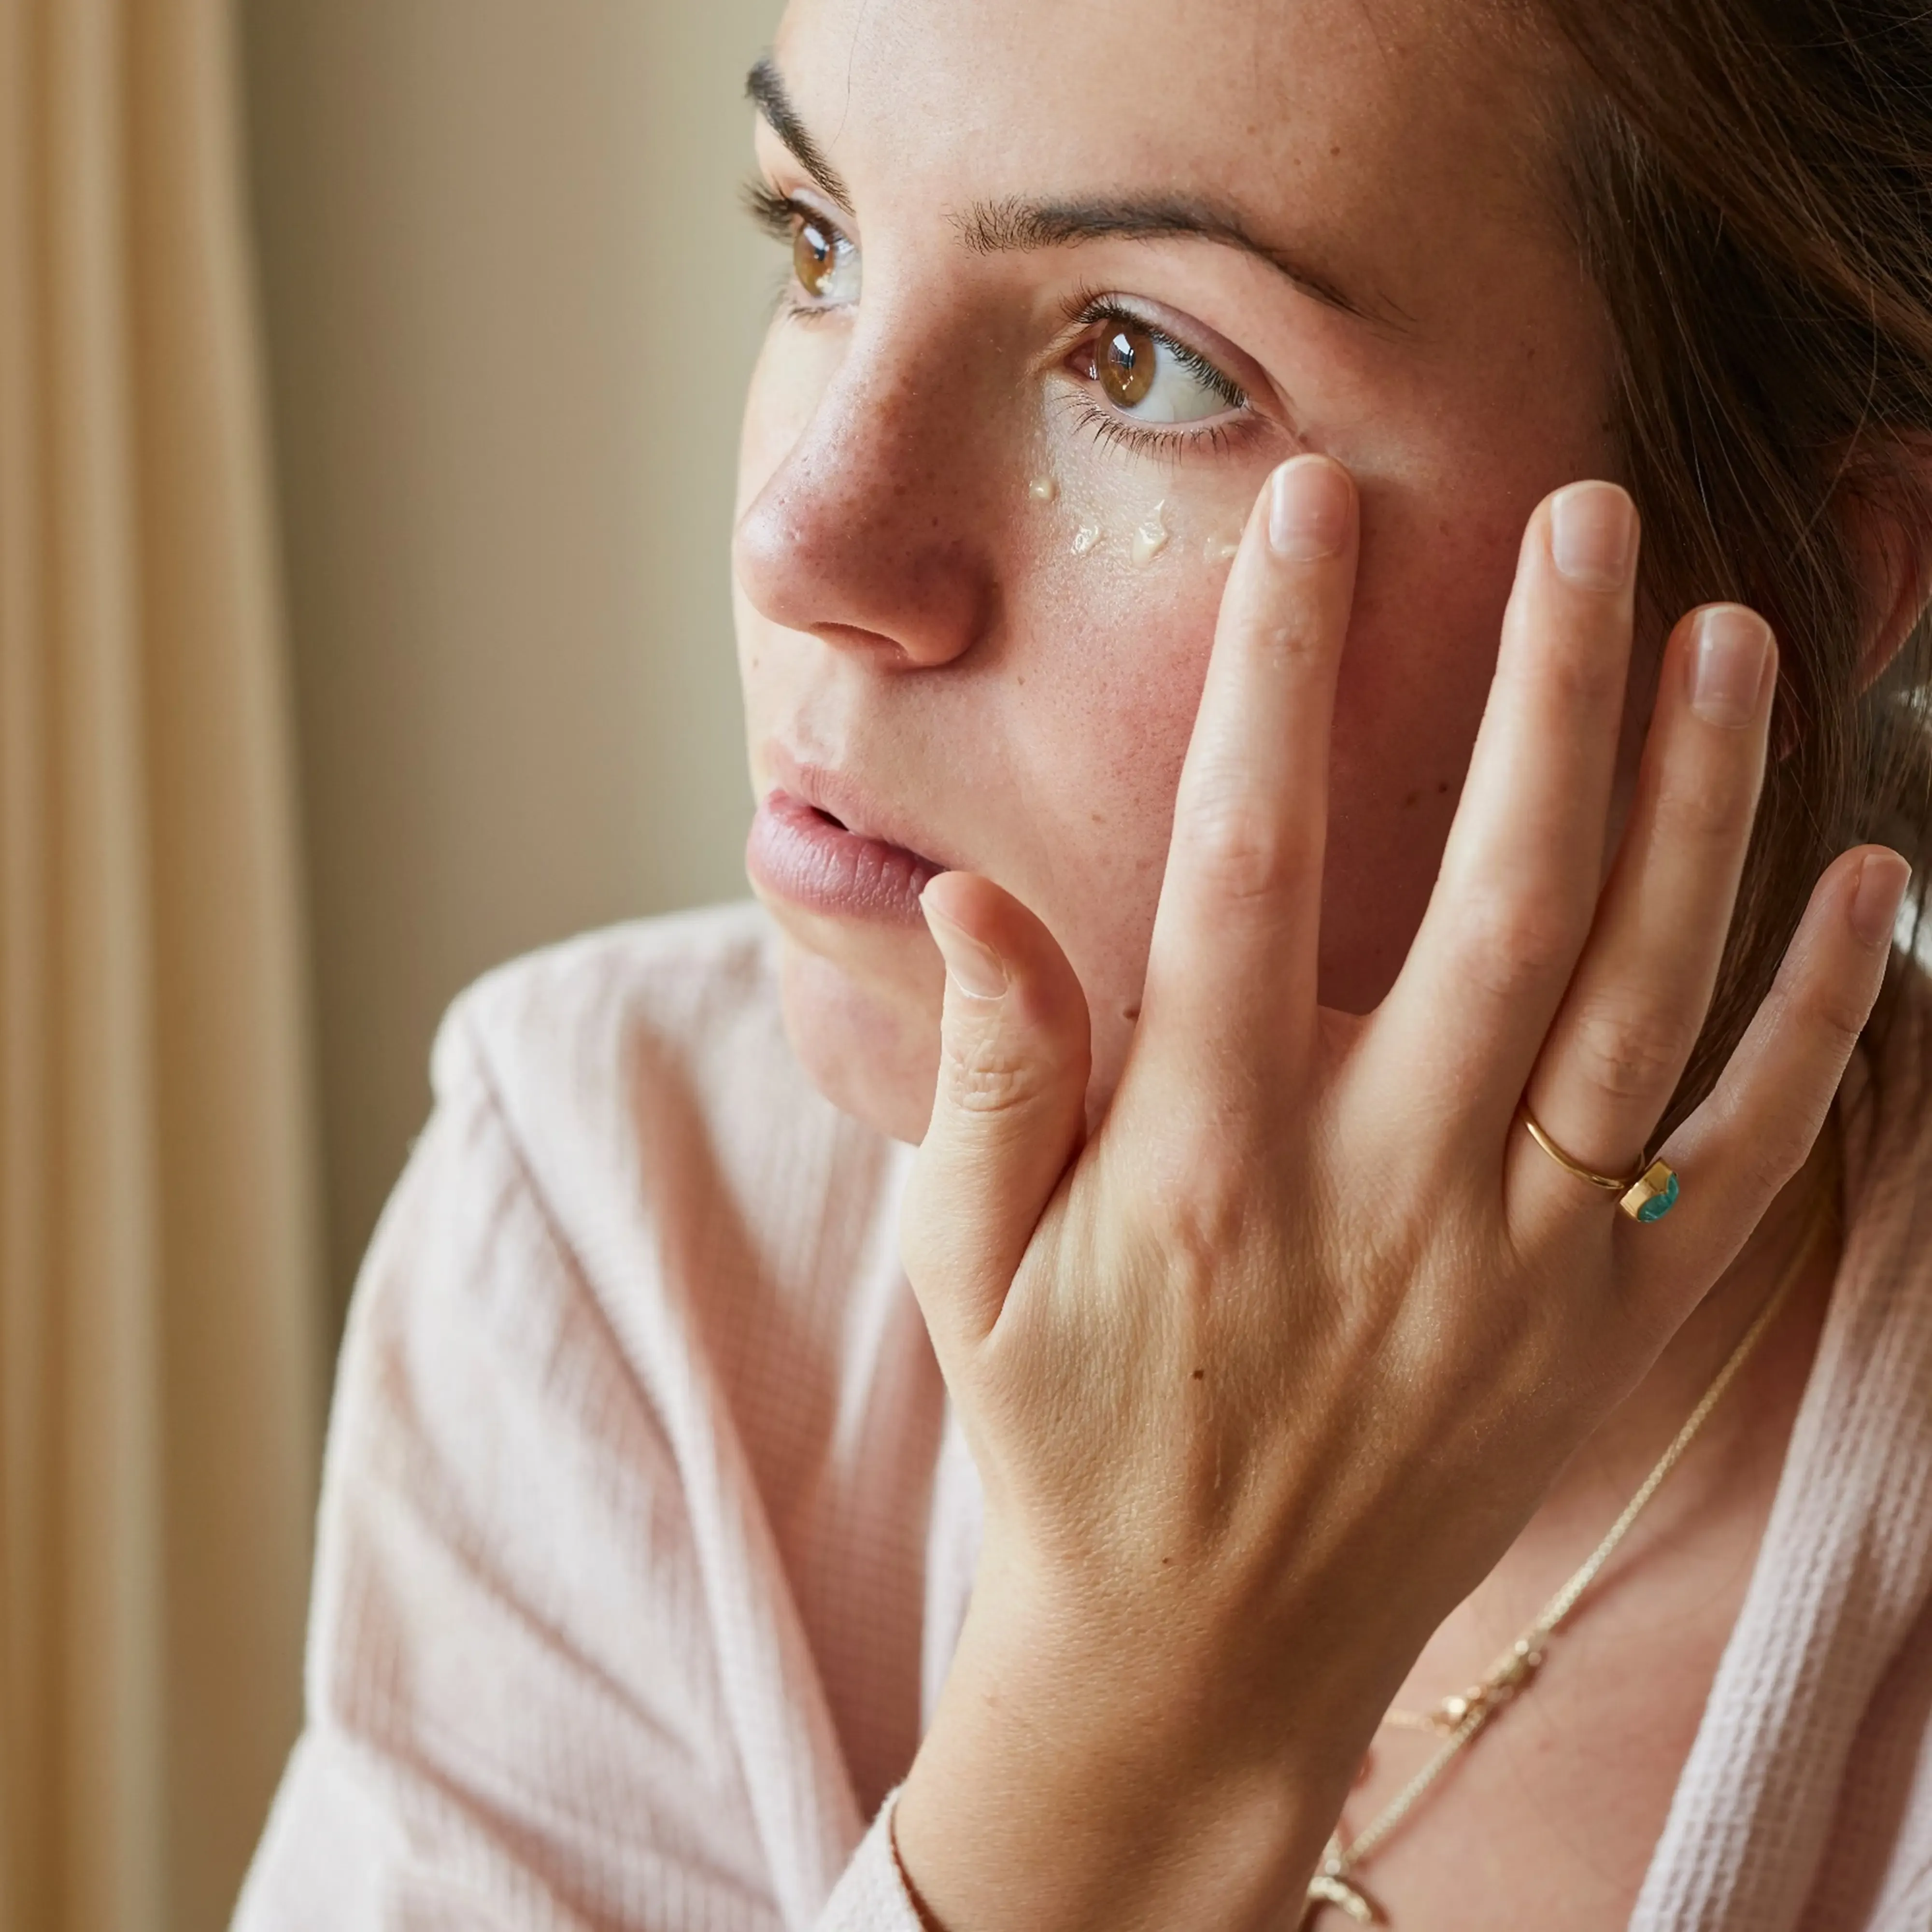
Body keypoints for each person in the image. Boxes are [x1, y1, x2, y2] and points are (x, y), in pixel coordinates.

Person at [235, 0, 1932, 1925]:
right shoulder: (626, 1227)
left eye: (1144, 359)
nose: (806, 541)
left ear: (1801, 577)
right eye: (817, 241)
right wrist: (1136, 1736)